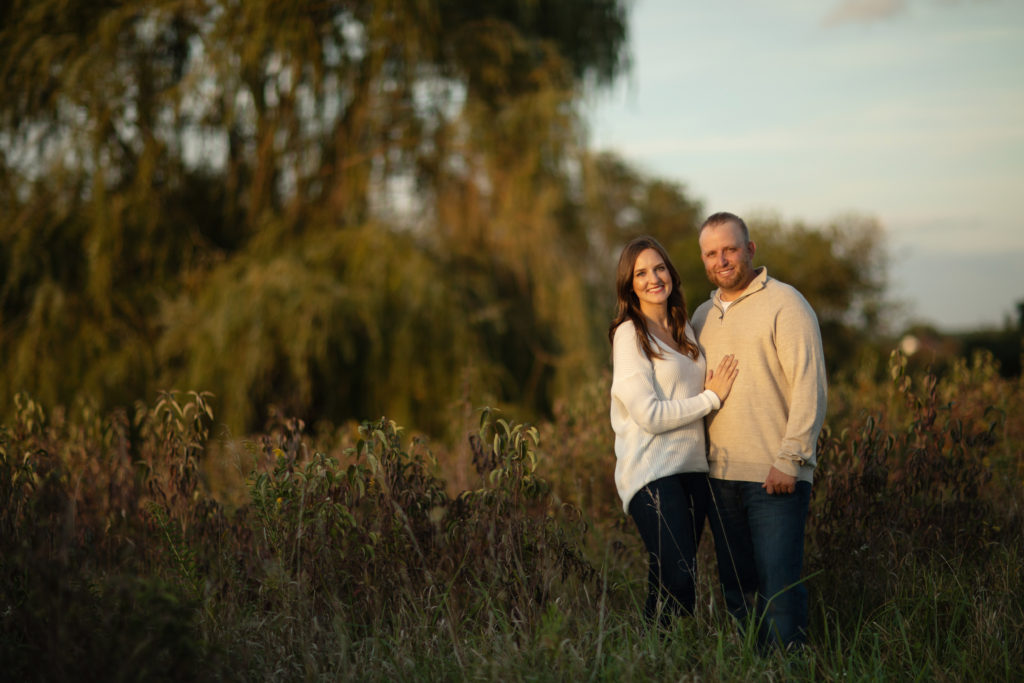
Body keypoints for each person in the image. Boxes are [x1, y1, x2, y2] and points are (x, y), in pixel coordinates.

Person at [691, 212, 827, 651]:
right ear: (704, 261)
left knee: (779, 590)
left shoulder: (787, 304)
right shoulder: (700, 318)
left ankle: (789, 669)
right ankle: (754, 669)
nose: (722, 260)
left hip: (775, 477)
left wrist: (792, 459)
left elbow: (810, 384)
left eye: (730, 249)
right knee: (738, 590)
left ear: (750, 249)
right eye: (711, 253)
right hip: (718, 477)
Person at [609, 235, 739, 626]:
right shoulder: (629, 334)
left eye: (659, 267)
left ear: (671, 272)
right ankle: (656, 650)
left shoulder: (685, 330)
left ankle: (654, 658)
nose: (653, 278)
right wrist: (711, 400)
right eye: (641, 273)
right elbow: (648, 414)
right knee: (680, 577)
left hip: (693, 471)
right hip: (651, 473)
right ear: (629, 284)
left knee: (670, 579)